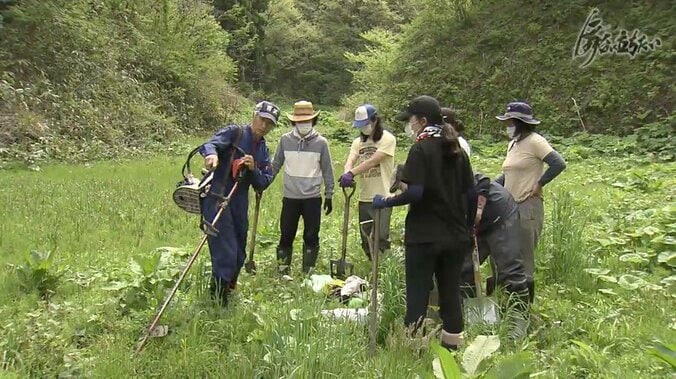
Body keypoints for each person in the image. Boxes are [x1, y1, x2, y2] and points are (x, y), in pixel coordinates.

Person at [374, 95, 474, 352]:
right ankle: (452, 351)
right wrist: (468, 227)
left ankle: (414, 351)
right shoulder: (457, 150)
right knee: (451, 294)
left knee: (418, 294)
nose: (409, 125)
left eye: (410, 120)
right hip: (455, 235)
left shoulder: (421, 148)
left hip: (424, 236)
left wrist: (386, 201)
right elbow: (470, 195)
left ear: (422, 121)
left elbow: (415, 193)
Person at [199, 100, 280, 306]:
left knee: (239, 254)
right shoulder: (235, 133)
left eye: (269, 124)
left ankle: (228, 290)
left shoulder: (262, 150)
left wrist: (253, 169)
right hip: (217, 198)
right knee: (225, 252)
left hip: (239, 202)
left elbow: (263, 182)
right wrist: (211, 155)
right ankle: (218, 301)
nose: (264, 126)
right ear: (254, 116)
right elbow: (210, 145)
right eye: (262, 119)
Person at [494, 101, 567, 302]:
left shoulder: (536, 141)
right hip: (509, 205)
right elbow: (508, 174)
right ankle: (508, 300)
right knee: (507, 252)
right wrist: (491, 186)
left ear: (520, 122)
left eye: (509, 122)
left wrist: (540, 183)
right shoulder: (513, 144)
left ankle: (525, 307)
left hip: (527, 204)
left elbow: (558, 163)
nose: (506, 126)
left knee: (524, 255)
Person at [462, 172, 531, 337]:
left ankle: (518, 320)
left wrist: (479, 209)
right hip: (477, 226)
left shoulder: (453, 172)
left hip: (501, 215)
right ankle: (470, 317)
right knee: (463, 269)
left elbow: (483, 181)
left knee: (509, 269)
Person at [271, 100, 334, 275]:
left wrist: (329, 194)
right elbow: (275, 165)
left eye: (307, 121)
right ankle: (283, 270)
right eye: (300, 121)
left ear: (313, 121)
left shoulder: (321, 143)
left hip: (312, 197)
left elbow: (327, 169)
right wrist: (263, 181)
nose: (303, 124)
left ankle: (308, 271)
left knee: (311, 235)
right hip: (290, 197)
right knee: (286, 234)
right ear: (294, 122)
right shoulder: (285, 140)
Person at [339, 104, 396, 259]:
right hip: (365, 197)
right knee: (365, 236)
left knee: (381, 236)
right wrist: (346, 173)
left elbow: (372, 161)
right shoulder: (358, 142)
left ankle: (382, 266)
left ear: (375, 120)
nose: (363, 128)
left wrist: (352, 173)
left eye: (365, 124)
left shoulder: (388, 139)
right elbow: (351, 159)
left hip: (384, 196)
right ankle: (371, 263)